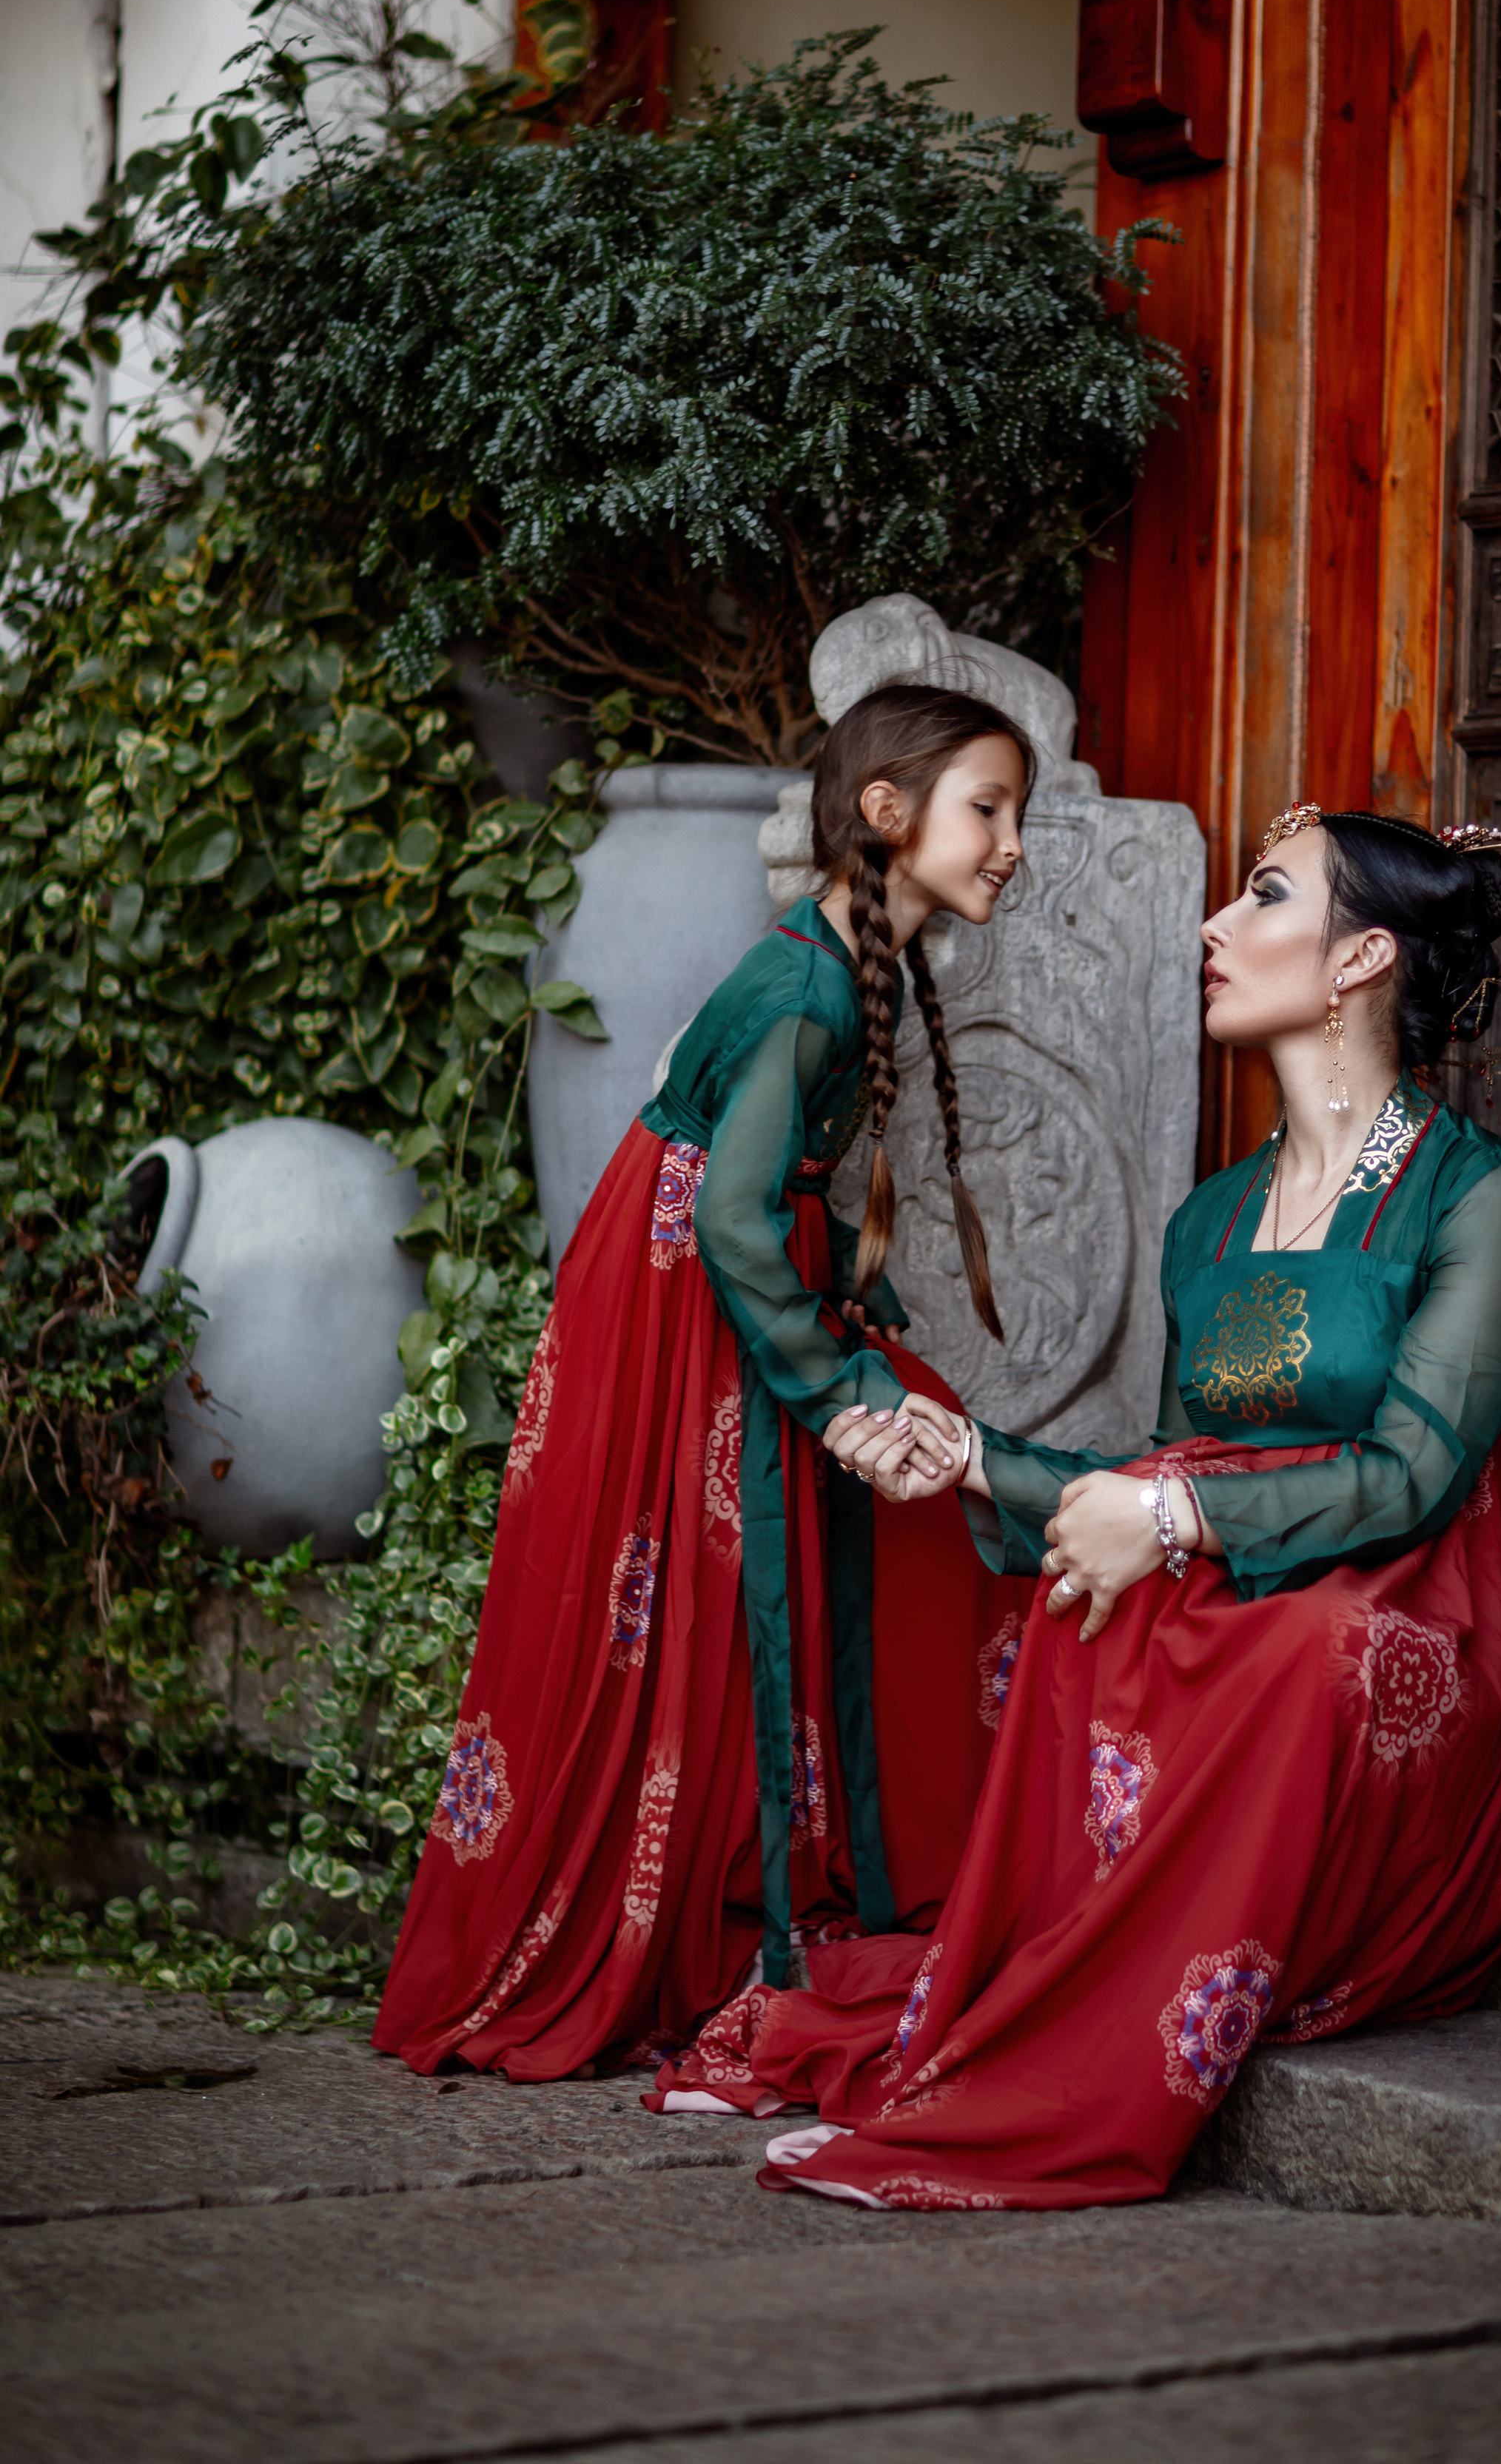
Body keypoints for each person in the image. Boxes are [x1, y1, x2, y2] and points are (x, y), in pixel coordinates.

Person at [646, 804, 1501, 2207]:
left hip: (1440, 1599)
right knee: (1084, 1616)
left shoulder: (1481, 1195)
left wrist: (1165, 1526)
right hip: (1268, 1558)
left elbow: (1416, 1478)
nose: (1214, 926)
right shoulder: (1208, 1220)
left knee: (1304, 1657)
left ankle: (1086, 2067)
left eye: (1264, 897)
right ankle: (1047, 1994)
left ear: (1361, 959)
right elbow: (1181, 1469)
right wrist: (970, 1456)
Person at [375, 684, 1033, 2079]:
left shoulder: (846, 964)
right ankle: (683, 1917)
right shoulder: (807, 986)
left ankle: (848, 1865)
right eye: (989, 808)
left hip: (722, 1271)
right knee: (677, 1592)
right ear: (887, 812)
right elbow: (734, 1216)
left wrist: (845, 1317)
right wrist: (840, 1399)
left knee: (839, 1535)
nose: (1012, 842)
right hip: (689, 1281)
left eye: (1013, 813)